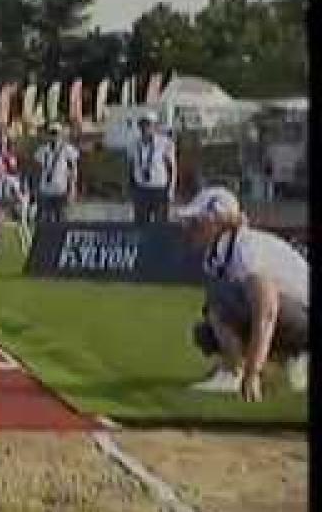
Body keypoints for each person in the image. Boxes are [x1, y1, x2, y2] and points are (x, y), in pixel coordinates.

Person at [178, 187, 308, 400]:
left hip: (302, 318)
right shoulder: (217, 256)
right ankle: (281, 361)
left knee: (223, 301)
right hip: (293, 318)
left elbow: (267, 312)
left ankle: (240, 371)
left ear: (217, 222)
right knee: (207, 330)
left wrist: (252, 373)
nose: (190, 228)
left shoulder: (246, 248)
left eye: (197, 221)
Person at [127, 111, 177, 225]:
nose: (145, 128)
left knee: (160, 224)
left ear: (155, 126)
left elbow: (172, 168)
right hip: (141, 189)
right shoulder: (134, 144)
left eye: (148, 125)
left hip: (159, 189)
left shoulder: (165, 143)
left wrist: (171, 190)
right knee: (140, 224)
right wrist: (131, 187)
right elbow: (131, 166)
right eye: (143, 125)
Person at [33, 123, 79, 223]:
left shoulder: (68, 149)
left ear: (61, 134)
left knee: (61, 217)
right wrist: (36, 189)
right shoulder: (43, 150)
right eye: (52, 133)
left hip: (61, 189)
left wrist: (72, 187)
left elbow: (73, 169)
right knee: (45, 218)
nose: (54, 136)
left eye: (56, 133)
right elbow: (37, 170)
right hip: (45, 189)